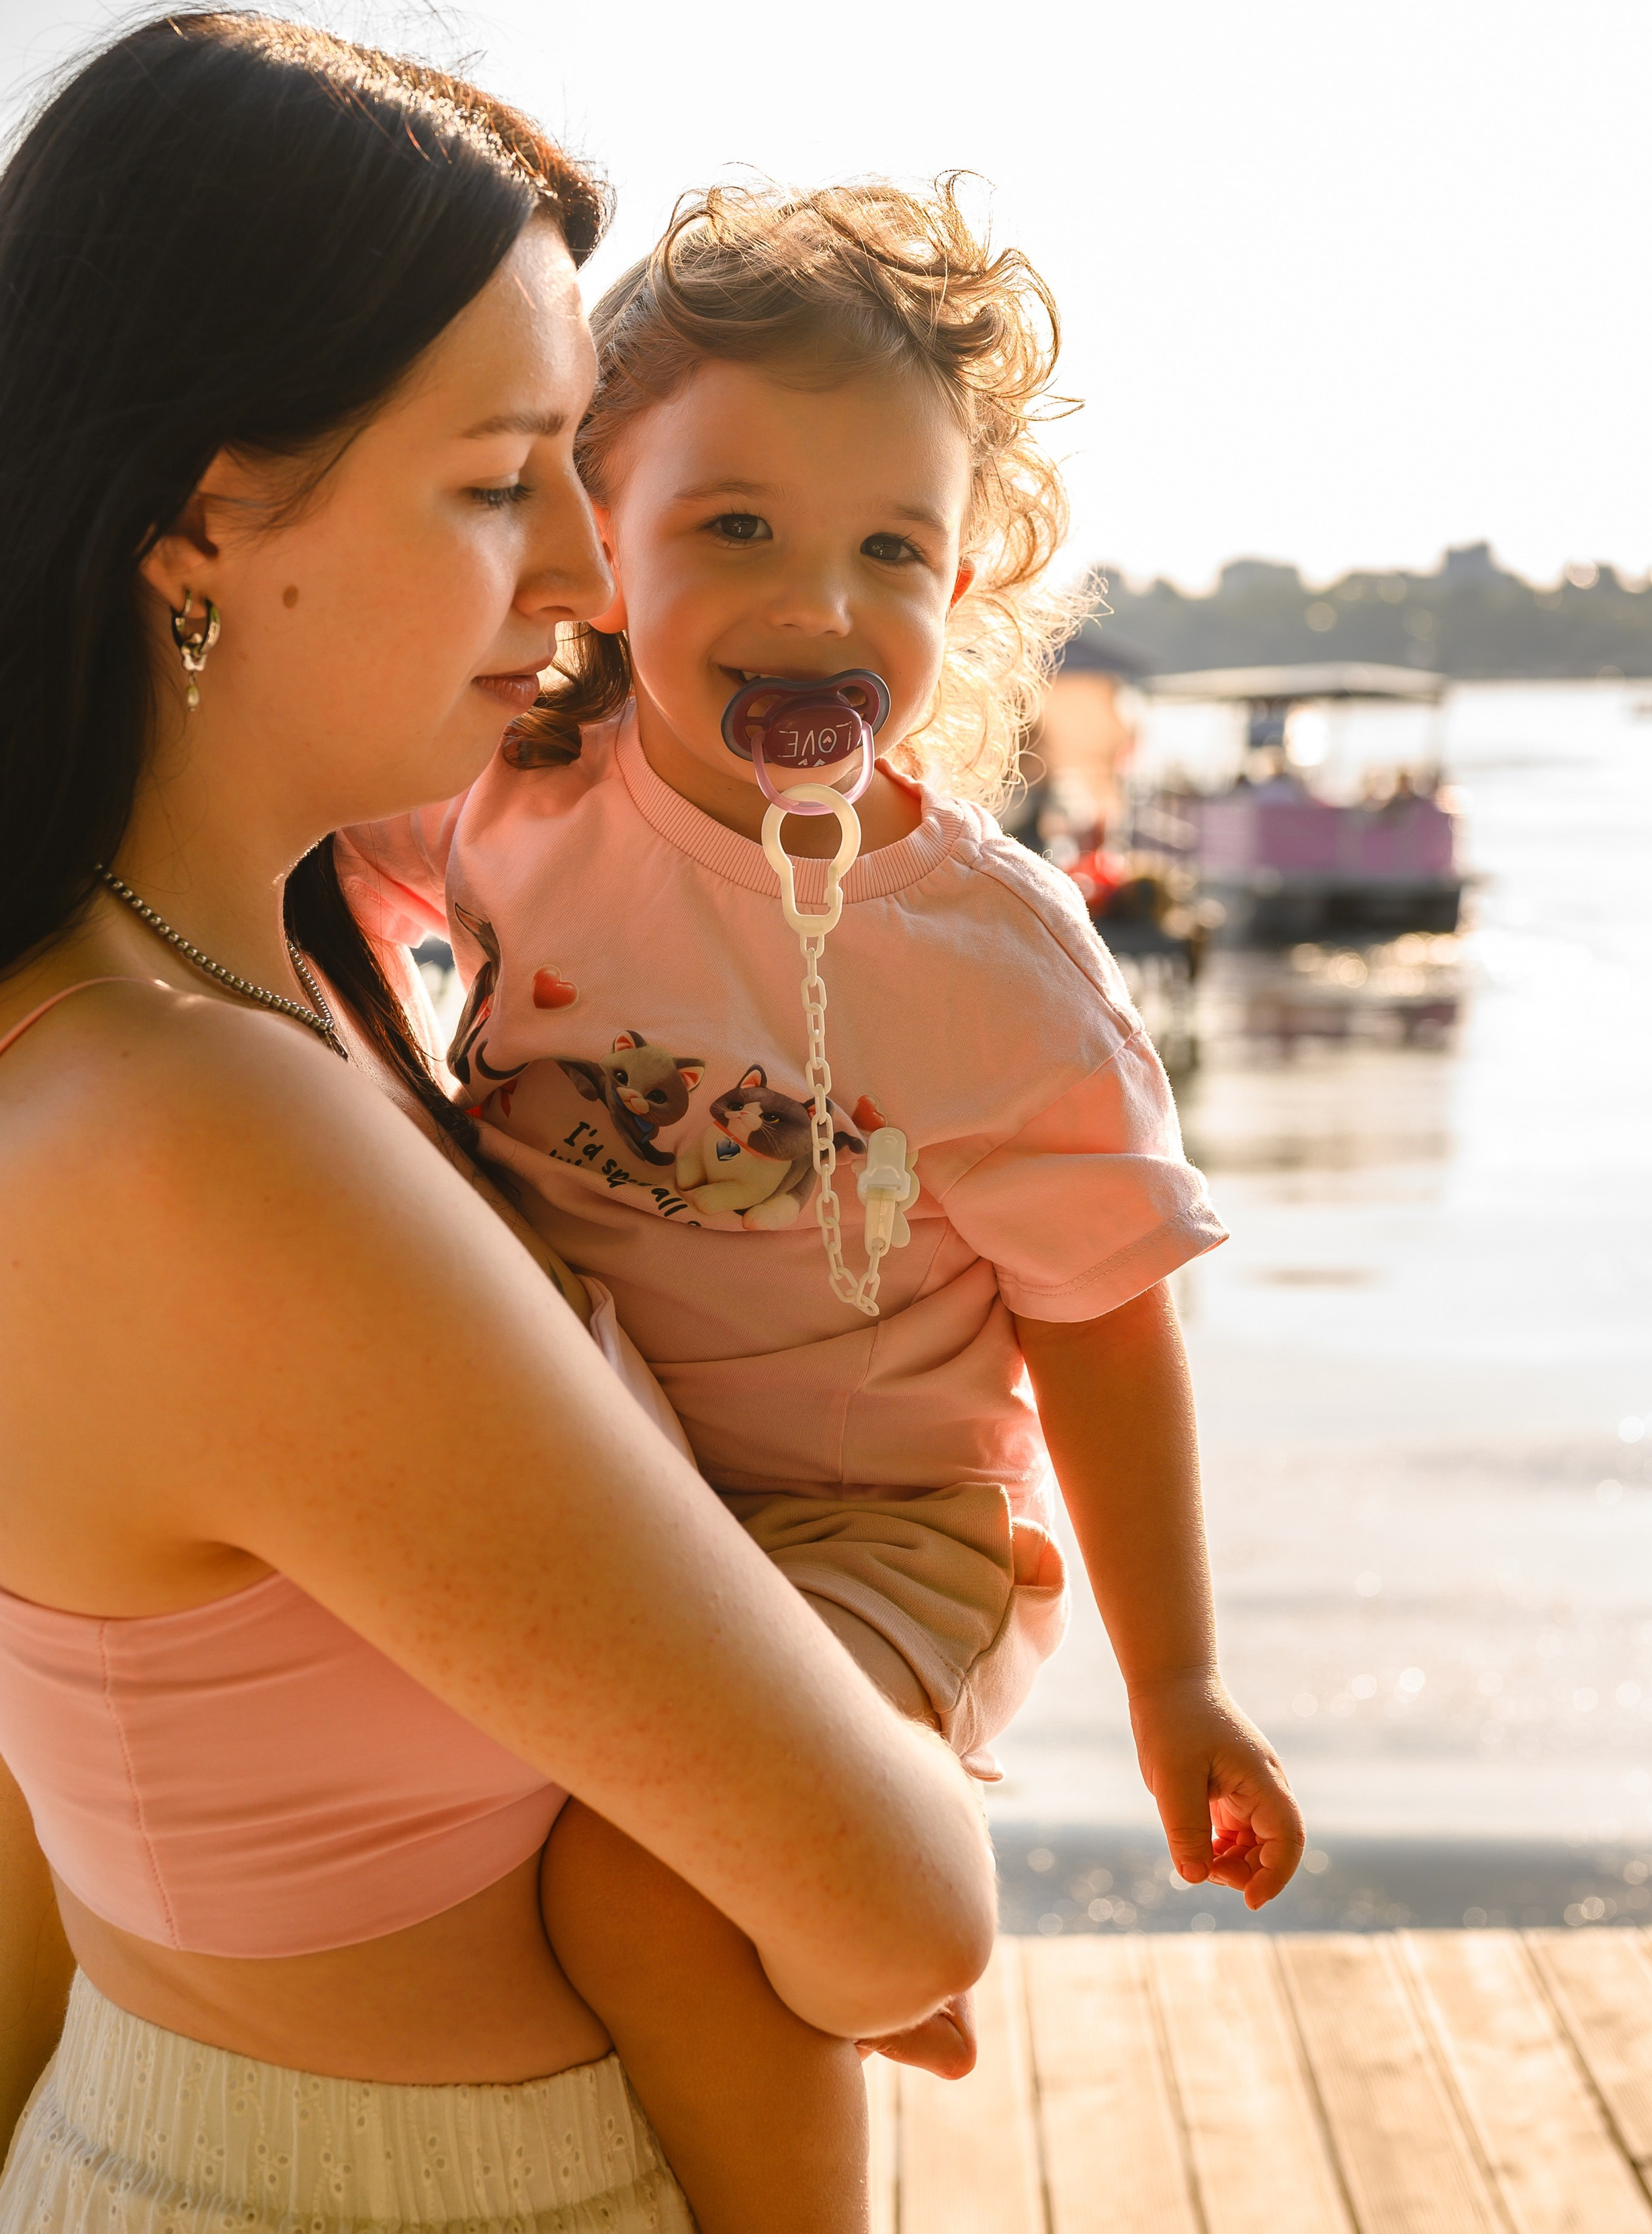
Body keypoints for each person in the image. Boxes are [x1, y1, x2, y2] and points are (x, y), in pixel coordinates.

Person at [0, 15, 995, 2234]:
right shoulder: (202, 1137)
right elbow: (904, 1911)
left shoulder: (177, 1012)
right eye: (495, 479)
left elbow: (32, 1814)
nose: (581, 573)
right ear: (195, 524)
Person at [340, 179, 1307, 2202]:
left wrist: (1181, 1685)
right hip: (587, 1466)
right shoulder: (516, 794)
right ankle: (829, 1928)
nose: (824, 602)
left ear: (968, 584)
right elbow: (291, 852)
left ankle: (840, 1947)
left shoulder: (986, 960)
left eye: (896, 547)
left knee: (650, 1886)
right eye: (738, 529)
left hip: (885, 1530)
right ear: (596, 531)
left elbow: (1104, 1332)